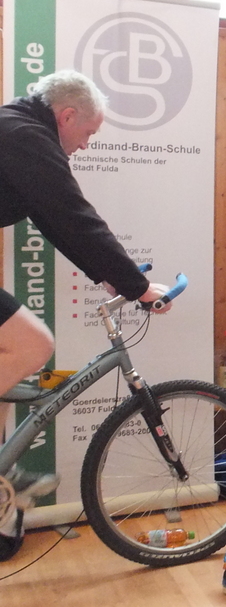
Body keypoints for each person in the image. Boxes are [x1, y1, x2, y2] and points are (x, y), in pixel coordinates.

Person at [0, 70, 170, 501]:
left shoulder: (17, 127)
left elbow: (53, 220)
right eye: (88, 133)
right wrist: (138, 287)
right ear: (67, 116)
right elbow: (75, 217)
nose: (86, 144)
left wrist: (110, 274)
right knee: (33, 345)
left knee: (8, 362)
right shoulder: (27, 137)